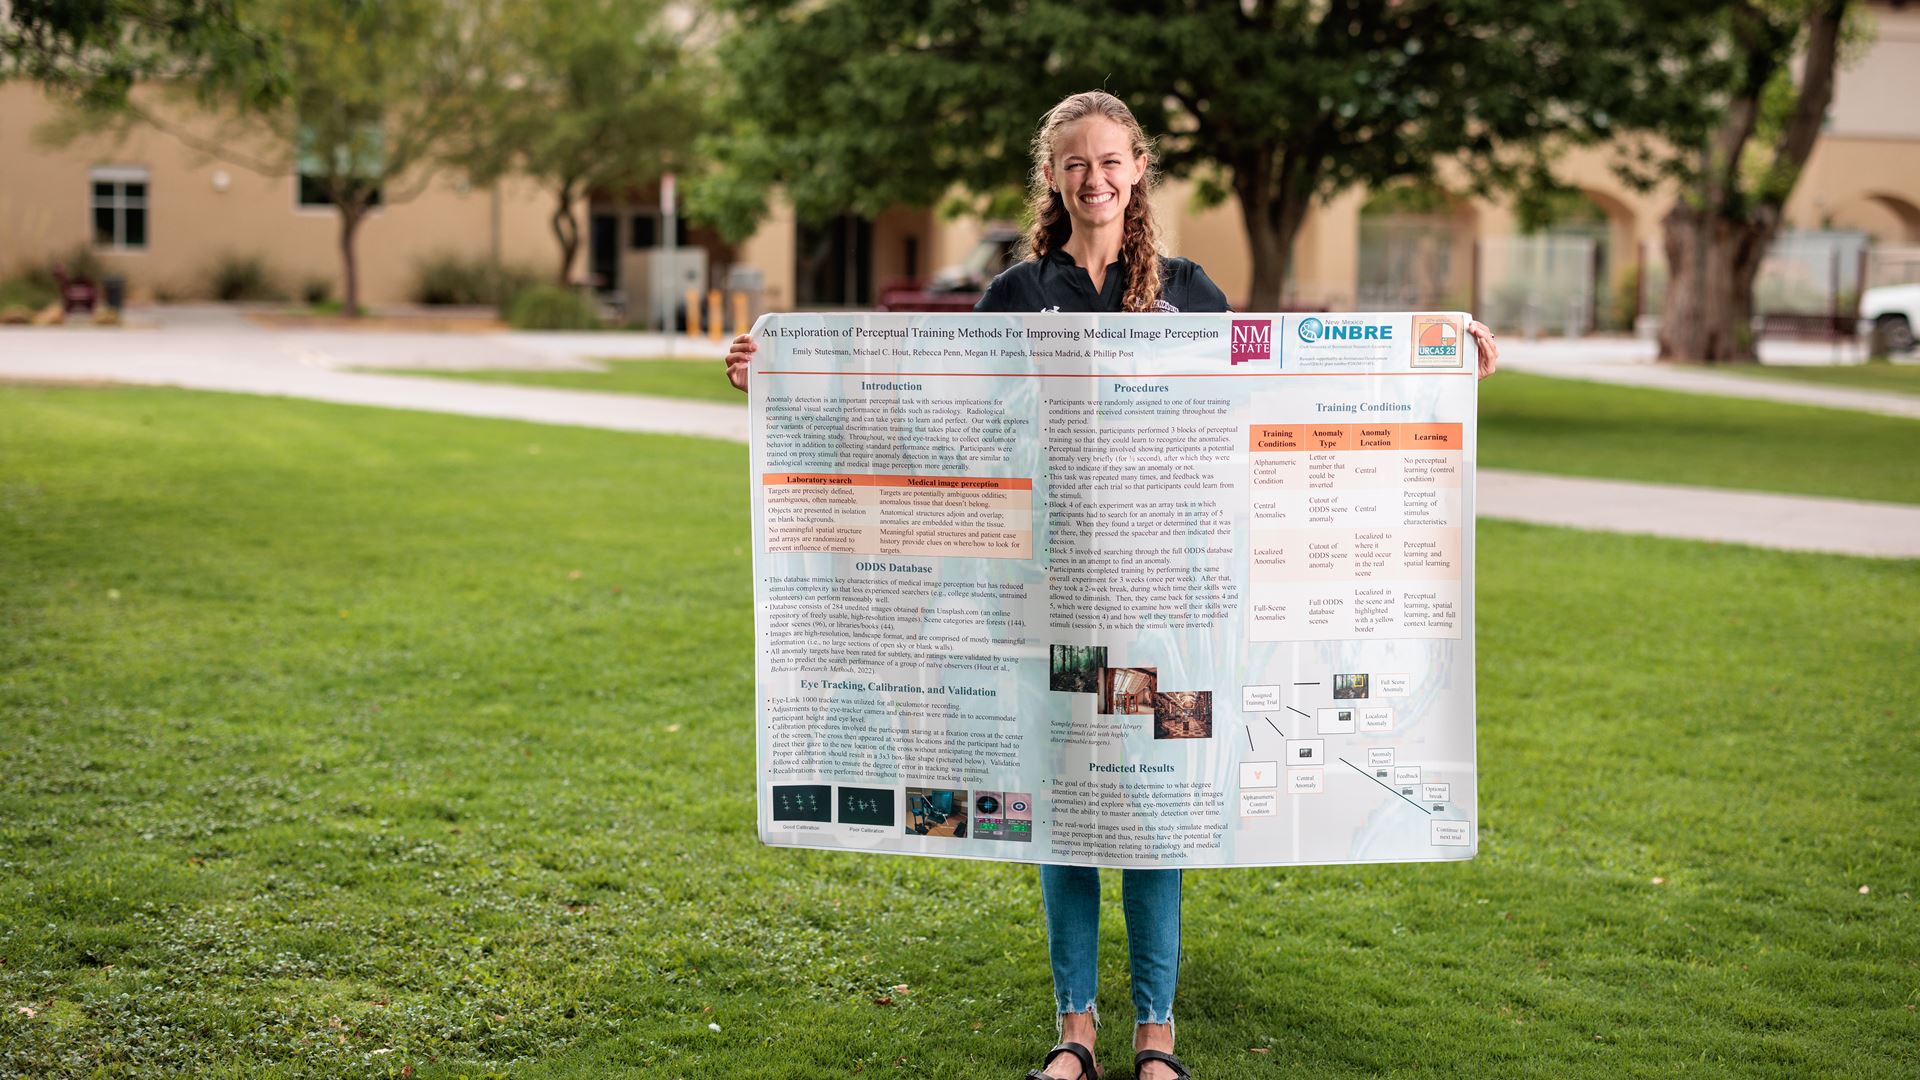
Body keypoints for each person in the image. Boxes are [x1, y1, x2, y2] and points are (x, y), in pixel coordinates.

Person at [726, 91, 1499, 1080]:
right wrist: (777, 372)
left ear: (1138, 169)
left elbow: (1266, 406)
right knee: (1066, 809)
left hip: (1167, 612)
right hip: (1057, 605)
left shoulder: (1189, 293)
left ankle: (1157, 1032)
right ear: (1054, 176)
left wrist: (1437, 365)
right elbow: (943, 413)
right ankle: (1076, 1028)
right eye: (1075, 164)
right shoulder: (1014, 294)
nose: (1096, 179)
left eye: (1112, 161)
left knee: (1159, 803)